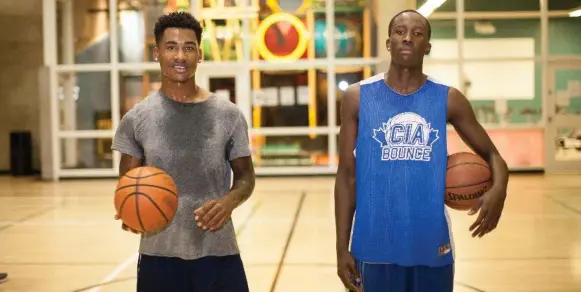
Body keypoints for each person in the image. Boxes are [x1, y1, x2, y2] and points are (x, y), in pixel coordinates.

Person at [334, 9, 509, 292]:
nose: (407, 38)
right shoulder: (357, 97)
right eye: (400, 32)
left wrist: (499, 189)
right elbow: (346, 176)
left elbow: (494, 157)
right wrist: (342, 247)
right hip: (373, 243)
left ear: (427, 46)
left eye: (417, 33)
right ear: (388, 42)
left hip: (431, 244)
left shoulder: (448, 98)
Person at [111, 12, 255, 292]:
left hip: (218, 249)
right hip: (159, 255)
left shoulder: (229, 115)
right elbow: (128, 183)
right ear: (157, 53)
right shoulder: (136, 119)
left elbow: (246, 178)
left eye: (189, 47)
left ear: (199, 54)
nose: (180, 55)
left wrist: (229, 202)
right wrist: (129, 211)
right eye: (171, 47)